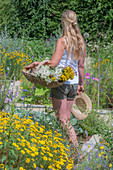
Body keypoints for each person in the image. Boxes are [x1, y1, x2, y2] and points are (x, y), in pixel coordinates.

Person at [25, 10, 86, 149]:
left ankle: (76, 152)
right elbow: (81, 66)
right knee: (66, 119)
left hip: (61, 82)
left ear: (63, 23)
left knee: (62, 120)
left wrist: (36, 64)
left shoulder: (62, 41)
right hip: (74, 83)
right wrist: (81, 84)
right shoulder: (81, 42)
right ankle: (62, 148)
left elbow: (53, 63)